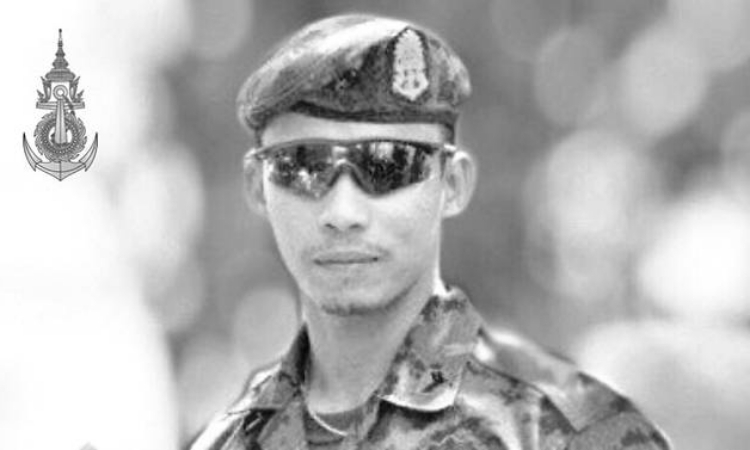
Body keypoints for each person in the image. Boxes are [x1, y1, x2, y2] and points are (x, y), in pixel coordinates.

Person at [191, 13, 671, 450]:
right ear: (257, 187)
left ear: (453, 185)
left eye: (388, 164)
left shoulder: (571, 433)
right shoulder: (230, 441)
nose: (342, 212)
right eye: (302, 165)